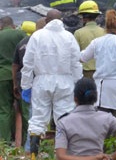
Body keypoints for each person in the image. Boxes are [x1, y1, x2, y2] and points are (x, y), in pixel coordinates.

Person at [21, 9, 82, 157]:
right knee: (65, 118)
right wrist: (77, 83)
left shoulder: (37, 36)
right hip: (65, 82)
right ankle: (63, 155)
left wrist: (26, 86)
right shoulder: (69, 37)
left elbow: (27, 63)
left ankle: (34, 155)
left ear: (46, 21)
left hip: (41, 81)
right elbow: (76, 63)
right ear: (61, 20)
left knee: (38, 119)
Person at [55, 77, 116, 160]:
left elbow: (61, 156)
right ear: (95, 97)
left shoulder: (64, 121)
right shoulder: (106, 118)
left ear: (75, 99)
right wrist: (111, 157)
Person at [80, 9, 116, 123]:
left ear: (106, 28)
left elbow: (83, 58)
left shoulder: (97, 42)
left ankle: (103, 141)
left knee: (102, 121)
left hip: (102, 86)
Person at [12, 19, 45, 150]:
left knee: (28, 114)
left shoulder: (22, 43)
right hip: (39, 82)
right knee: (34, 115)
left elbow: (15, 65)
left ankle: (28, 146)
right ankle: (32, 147)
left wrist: (15, 84)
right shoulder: (45, 42)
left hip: (24, 82)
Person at [0, 16, 27, 142]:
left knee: (4, 109)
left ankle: (5, 142)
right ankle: (27, 143)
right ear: (13, 25)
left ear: (1, 25)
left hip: (2, 77)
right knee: (25, 110)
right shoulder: (21, 34)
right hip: (21, 77)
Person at [74, 0, 105, 79]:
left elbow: (75, 54)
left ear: (84, 18)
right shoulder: (104, 32)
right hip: (102, 71)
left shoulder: (78, 33)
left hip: (85, 73)